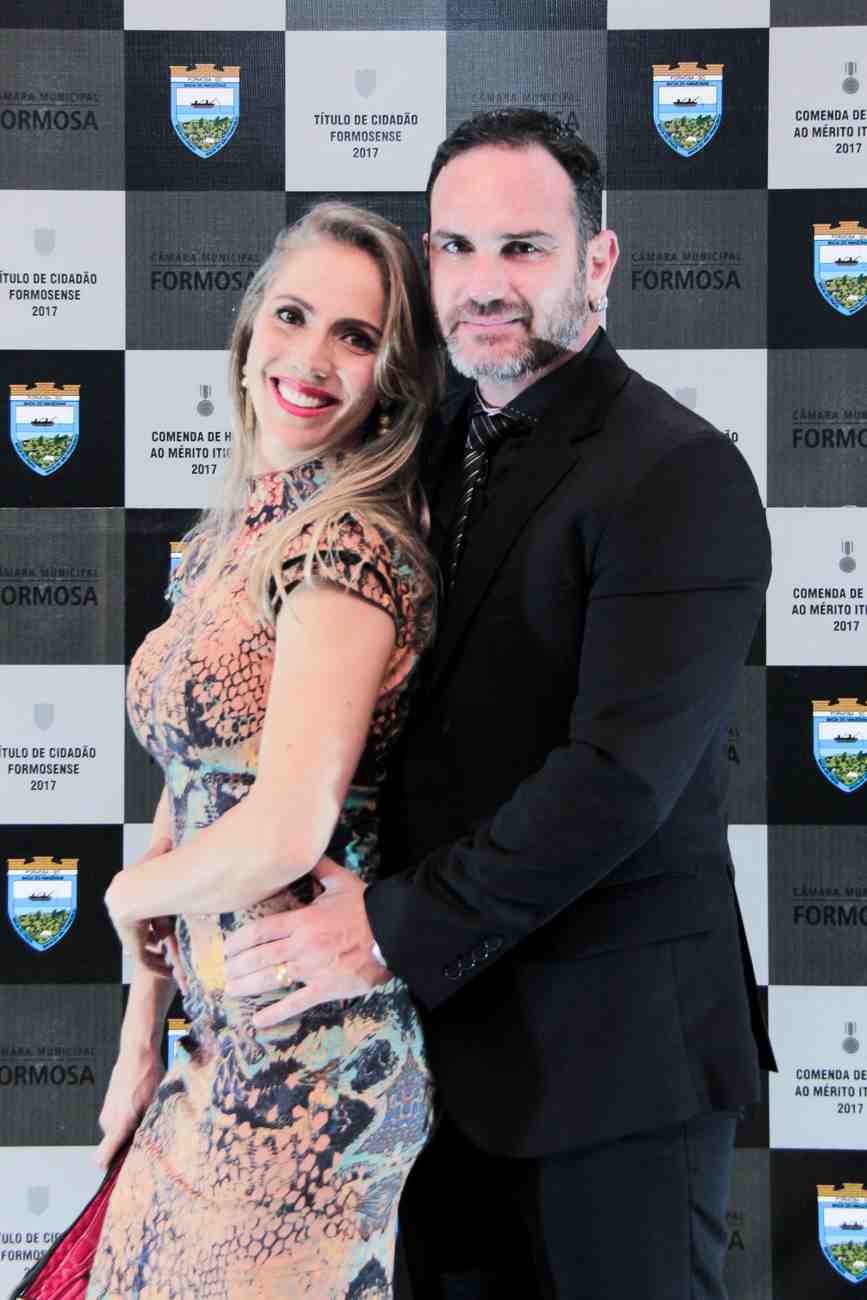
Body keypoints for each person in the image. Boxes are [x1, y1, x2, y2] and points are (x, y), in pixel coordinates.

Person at [221, 110, 775, 1300]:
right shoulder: (415, 454)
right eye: (457, 248)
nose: (484, 284)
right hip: (429, 1073)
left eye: (523, 248)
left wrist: (380, 930)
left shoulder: (678, 472)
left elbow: (616, 783)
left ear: (598, 261)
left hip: (614, 1072)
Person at [86, 201, 443, 1299]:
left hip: (309, 1070)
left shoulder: (344, 547)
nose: (313, 358)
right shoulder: (227, 541)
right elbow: (189, 782)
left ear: (391, 383)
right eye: (293, 315)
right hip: (211, 1053)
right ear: (249, 333)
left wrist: (125, 894)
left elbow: (286, 823)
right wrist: (139, 1037)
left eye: (357, 337)